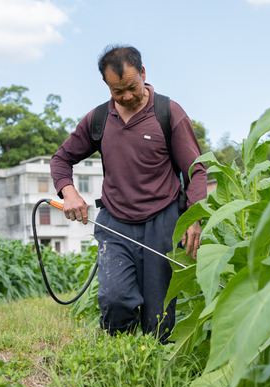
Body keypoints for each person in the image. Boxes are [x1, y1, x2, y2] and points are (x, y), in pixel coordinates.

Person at [50, 45, 207, 342]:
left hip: (162, 221)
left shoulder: (168, 113)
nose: (126, 96)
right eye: (117, 90)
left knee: (158, 317)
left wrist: (193, 217)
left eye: (132, 87)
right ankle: (118, 357)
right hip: (115, 223)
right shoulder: (98, 119)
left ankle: (153, 366)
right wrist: (68, 192)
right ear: (107, 85)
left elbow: (196, 170)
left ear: (143, 74)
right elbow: (61, 159)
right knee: (114, 299)